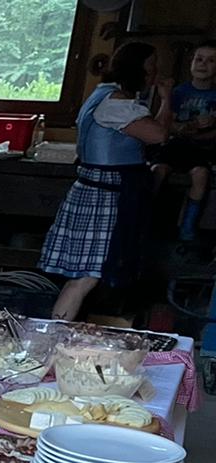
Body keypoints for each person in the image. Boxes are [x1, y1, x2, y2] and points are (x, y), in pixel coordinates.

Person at [39, 43, 172, 321]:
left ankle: (60, 331)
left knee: (87, 276)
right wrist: (166, 99)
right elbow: (158, 135)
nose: (154, 73)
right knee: (86, 276)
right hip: (104, 195)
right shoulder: (115, 103)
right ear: (136, 70)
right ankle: (54, 332)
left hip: (99, 189)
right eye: (150, 68)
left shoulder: (100, 94)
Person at [149, 41, 216, 240]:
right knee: (157, 170)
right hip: (175, 145)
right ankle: (144, 214)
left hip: (201, 148)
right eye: (199, 59)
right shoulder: (178, 92)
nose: (203, 64)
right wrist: (181, 128)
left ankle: (188, 225)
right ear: (191, 62)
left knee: (201, 175)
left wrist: (205, 130)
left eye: (211, 61)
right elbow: (165, 122)